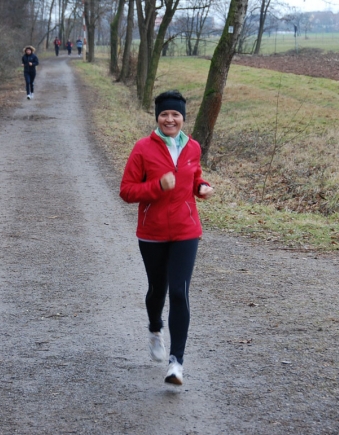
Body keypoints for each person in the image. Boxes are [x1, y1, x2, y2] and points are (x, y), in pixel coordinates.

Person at [119, 90, 214, 386]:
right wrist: (157, 185)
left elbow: (194, 175)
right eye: (164, 114)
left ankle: (176, 364)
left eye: (175, 115)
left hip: (186, 231)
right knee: (157, 290)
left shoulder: (193, 147)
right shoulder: (143, 148)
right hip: (153, 232)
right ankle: (154, 328)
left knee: (179, 292)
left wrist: (201, 186)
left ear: (183, 118)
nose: (170, 119)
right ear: (157, 117)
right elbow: (126, 191)